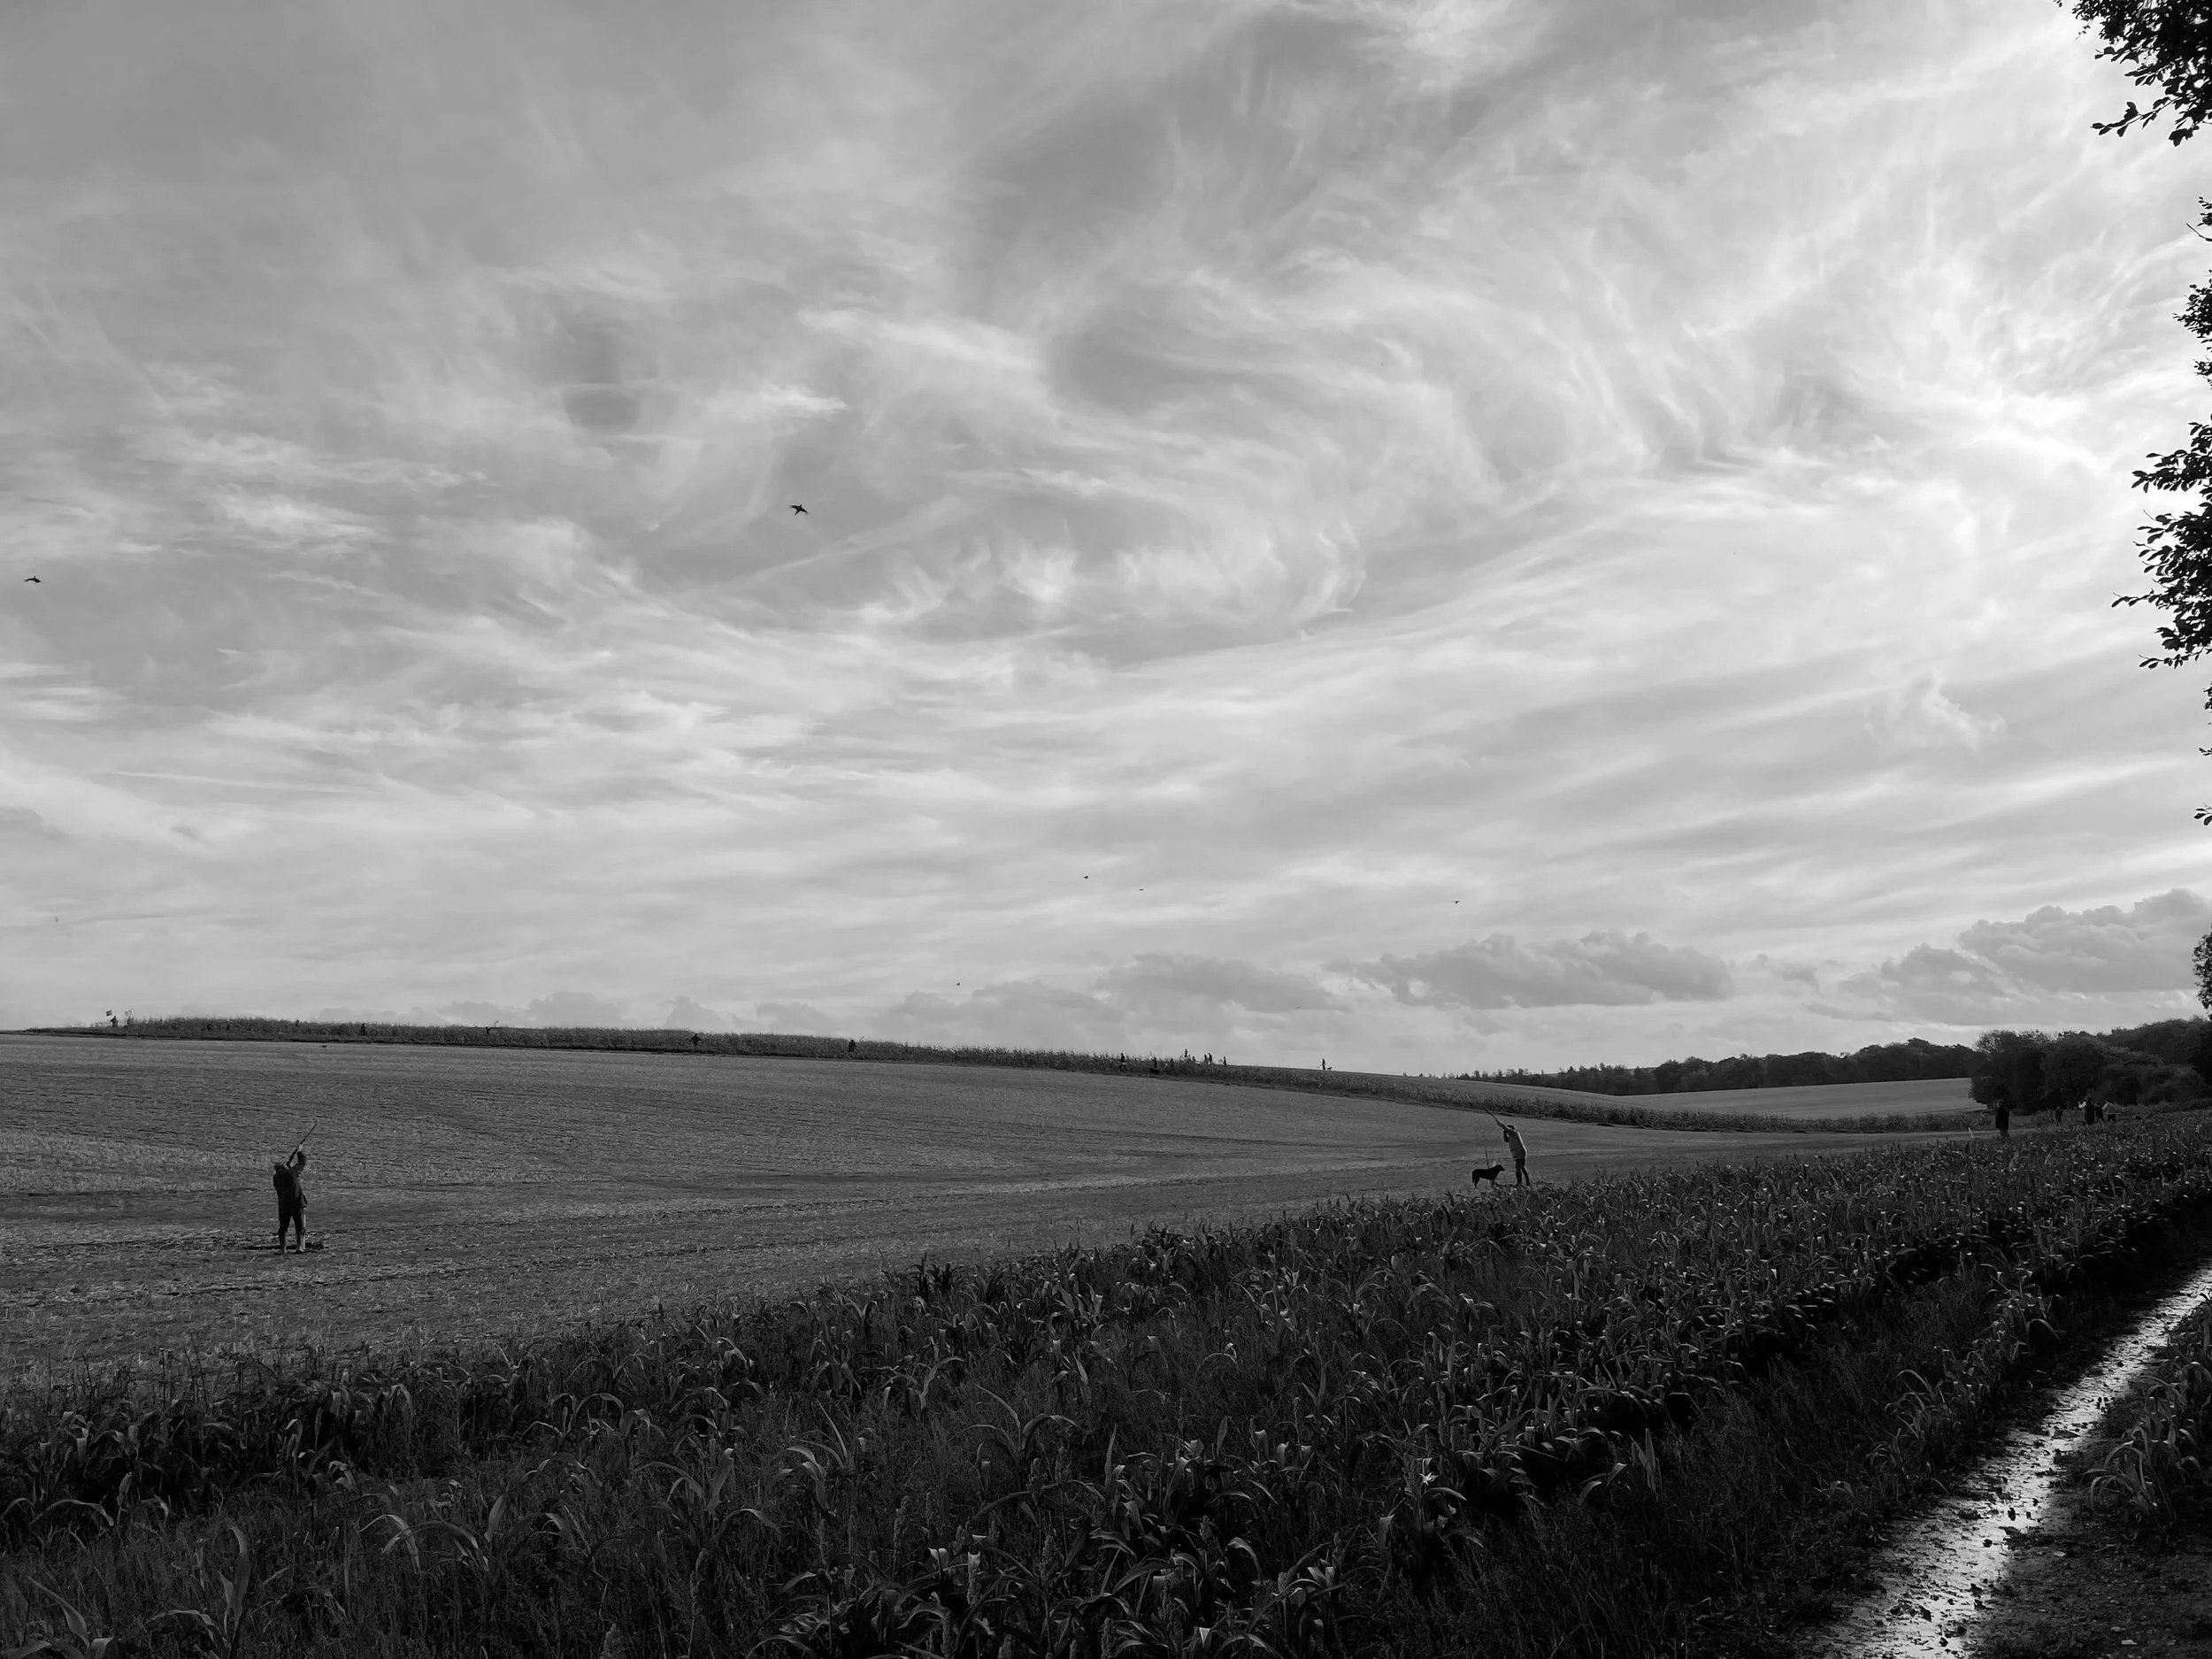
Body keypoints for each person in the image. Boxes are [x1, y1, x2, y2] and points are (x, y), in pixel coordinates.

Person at [272, 1148, 308, 1252]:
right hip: (297, 1203)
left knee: (283, 1228)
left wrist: (290, 1167)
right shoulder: (292, 1172)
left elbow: (289, 1175)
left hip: (284, 1206)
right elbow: (303, 1162)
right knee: (299, 1226)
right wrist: (300, 1151)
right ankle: (300, 1247)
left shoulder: (276, 1179)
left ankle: (283, 1249)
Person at [1502, 1121, 1529, 1187]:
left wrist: (1506, 1129)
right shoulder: (1511, 1137)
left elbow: (1509, 1131)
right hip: (1518, 1154)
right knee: (1522, 1167)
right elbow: (1505, 1140)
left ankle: (1519, 1183)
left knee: (1518, 1168)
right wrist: (1504, 1133)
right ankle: (1527, 1182)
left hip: (1520, 1153)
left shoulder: (1515, 1134)